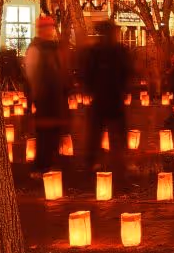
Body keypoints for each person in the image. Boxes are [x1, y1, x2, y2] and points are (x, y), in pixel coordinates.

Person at [78, 19, 130, 177]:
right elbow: (126, 72)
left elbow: (86, 73)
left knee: (96, 133)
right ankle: (117, 164)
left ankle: (93, 162)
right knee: (113, 134)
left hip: (102, 98)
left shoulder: (96, 51)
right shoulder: (118, 51)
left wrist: (89, 88)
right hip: (111, 98)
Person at [24, 16, 73, 173]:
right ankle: (40, 167)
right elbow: (31, 75)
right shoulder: (35, 49)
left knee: (54, 134)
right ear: (41, 30)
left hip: (56, 98)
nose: (51, 31)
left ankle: (49, 164)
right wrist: (34, 96)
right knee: (45, 136)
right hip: (45, 99)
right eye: (48, 28)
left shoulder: (53, 47)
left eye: (52, 28)